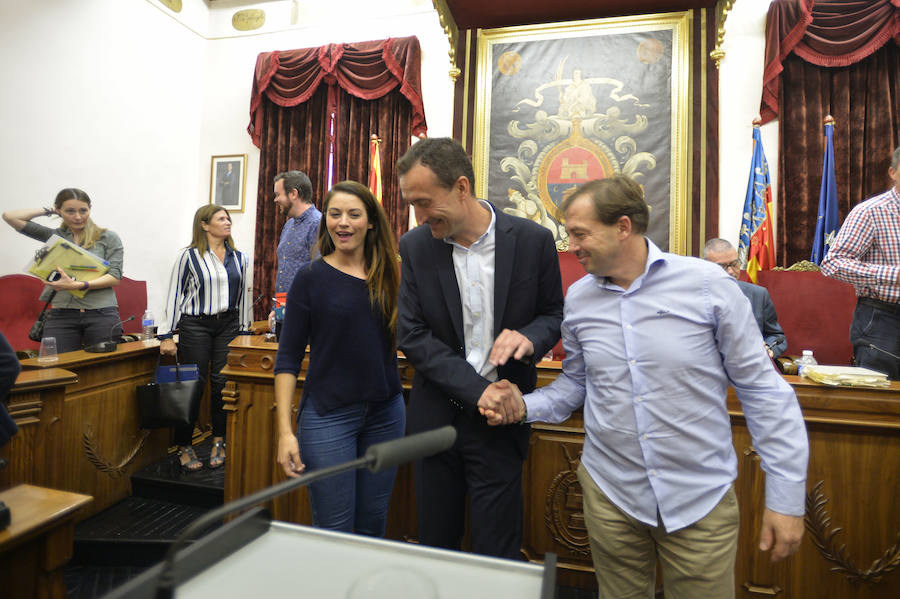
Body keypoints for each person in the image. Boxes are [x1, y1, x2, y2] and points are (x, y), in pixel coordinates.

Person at [480, 176, 808, 598]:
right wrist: (522, 406)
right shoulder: (579, 299)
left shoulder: (709, 286)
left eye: (580, 234)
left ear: (623, 227)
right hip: (610, 496)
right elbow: (576, 385)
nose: (571, 246)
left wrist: (786, 498)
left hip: (699, 500)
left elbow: (764, 393)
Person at [396, 137, 564, 558]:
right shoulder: (415, 246)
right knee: (437, 547)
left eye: (425, 202)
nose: (419, 216)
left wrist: (530, 337)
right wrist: (478, 390)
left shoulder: (532, 241)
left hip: (500, 423)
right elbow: (413, 335)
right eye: (411, 204)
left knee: (497, 553)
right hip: (436, 422)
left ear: (462, 188)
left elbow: (552, 315)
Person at [274, 181, 405, 536]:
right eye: (335, 214)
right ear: (325, 220)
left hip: (386, 414)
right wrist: (286, 433)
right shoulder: (311, 277)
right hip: (329, 417)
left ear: (371, 222)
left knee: (373, 522)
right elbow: (287, 359)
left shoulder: (391, 274)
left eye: (353, 214)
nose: (343, 223)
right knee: (334, 530)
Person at [158, 205, 252, 472]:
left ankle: (218, 440)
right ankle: (184, 445)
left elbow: (245, 296)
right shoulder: (188, 256)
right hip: (195, 325)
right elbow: (174, 295)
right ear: (204, 225)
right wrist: (166, 334)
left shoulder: (240, 257)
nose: (227, 222)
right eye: (221, 218)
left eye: (228, 218)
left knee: (223, 383)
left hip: (229, 325)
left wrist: (244, 331)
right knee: (193, 384)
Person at [3, 189, 124, 353]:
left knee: (102, 369)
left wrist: (79, 285)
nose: (78, 217)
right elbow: (9, 217)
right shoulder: (55, 236)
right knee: (57, 367)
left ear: (90, 208)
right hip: (62, 314)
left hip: (101, 313)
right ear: (59, 211)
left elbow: (115, 277)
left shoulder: (107, 237)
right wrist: (50, 211)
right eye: (70, 211)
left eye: (83, 210)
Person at [821, 146, 900, 379]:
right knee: (880, 405)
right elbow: (833, 263)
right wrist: (894, 275)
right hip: (884, 320)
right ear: (893, 172)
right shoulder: (871, 212)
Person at [703, 238, 787, 358]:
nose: (731, 272)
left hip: (749, 365)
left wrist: (768, 349)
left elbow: (778, 337)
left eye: (734, 264)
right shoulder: (695, 296)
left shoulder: (758, 294)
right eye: (722, 267)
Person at [270, 170, 321, 337]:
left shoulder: (318, 224)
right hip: (283, 315)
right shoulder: (288, 225)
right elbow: (284, 272)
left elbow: (321, 275)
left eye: (278, 194)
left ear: (293, 194)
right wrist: (275, 309)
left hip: (307, 318)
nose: (275, 199)